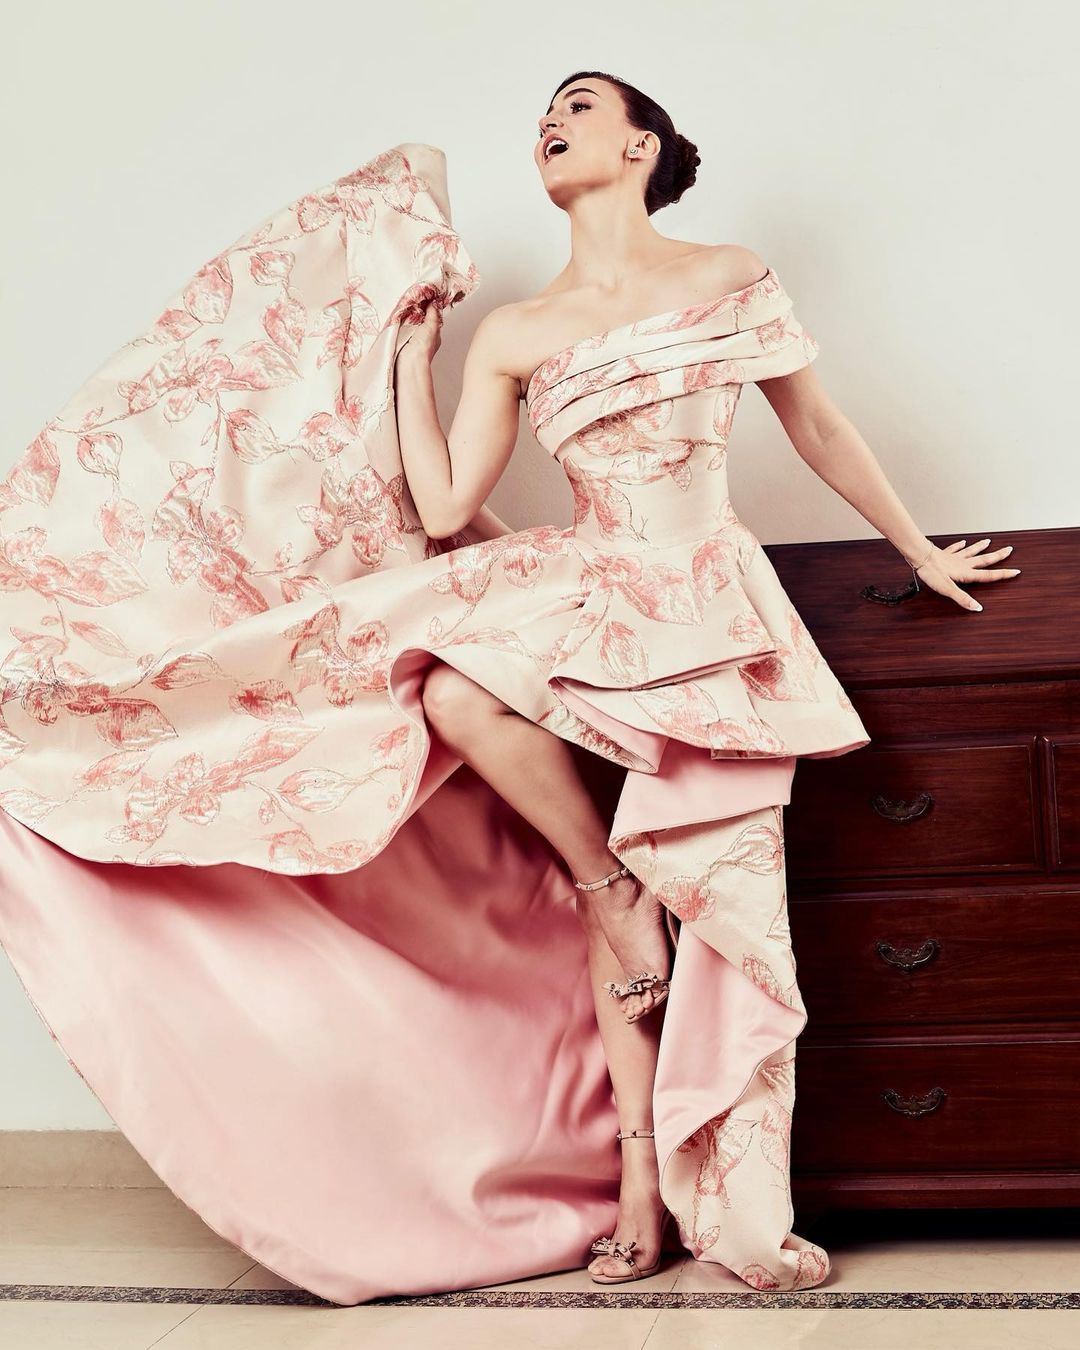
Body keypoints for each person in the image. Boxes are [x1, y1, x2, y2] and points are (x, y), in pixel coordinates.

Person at [0, 70, 1020, 1303]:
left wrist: (917, 549)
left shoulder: (726, 273)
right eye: (546, 112)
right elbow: (441, 506)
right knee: (452, 695)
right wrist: (410, 359)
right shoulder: (516, 333)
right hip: (584, 587)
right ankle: (607, 922)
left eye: (581, 105)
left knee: (732, 913)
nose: (553, 120)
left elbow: (818, 426)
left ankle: (727, 1206)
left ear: (642, 145)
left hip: (705, 608)